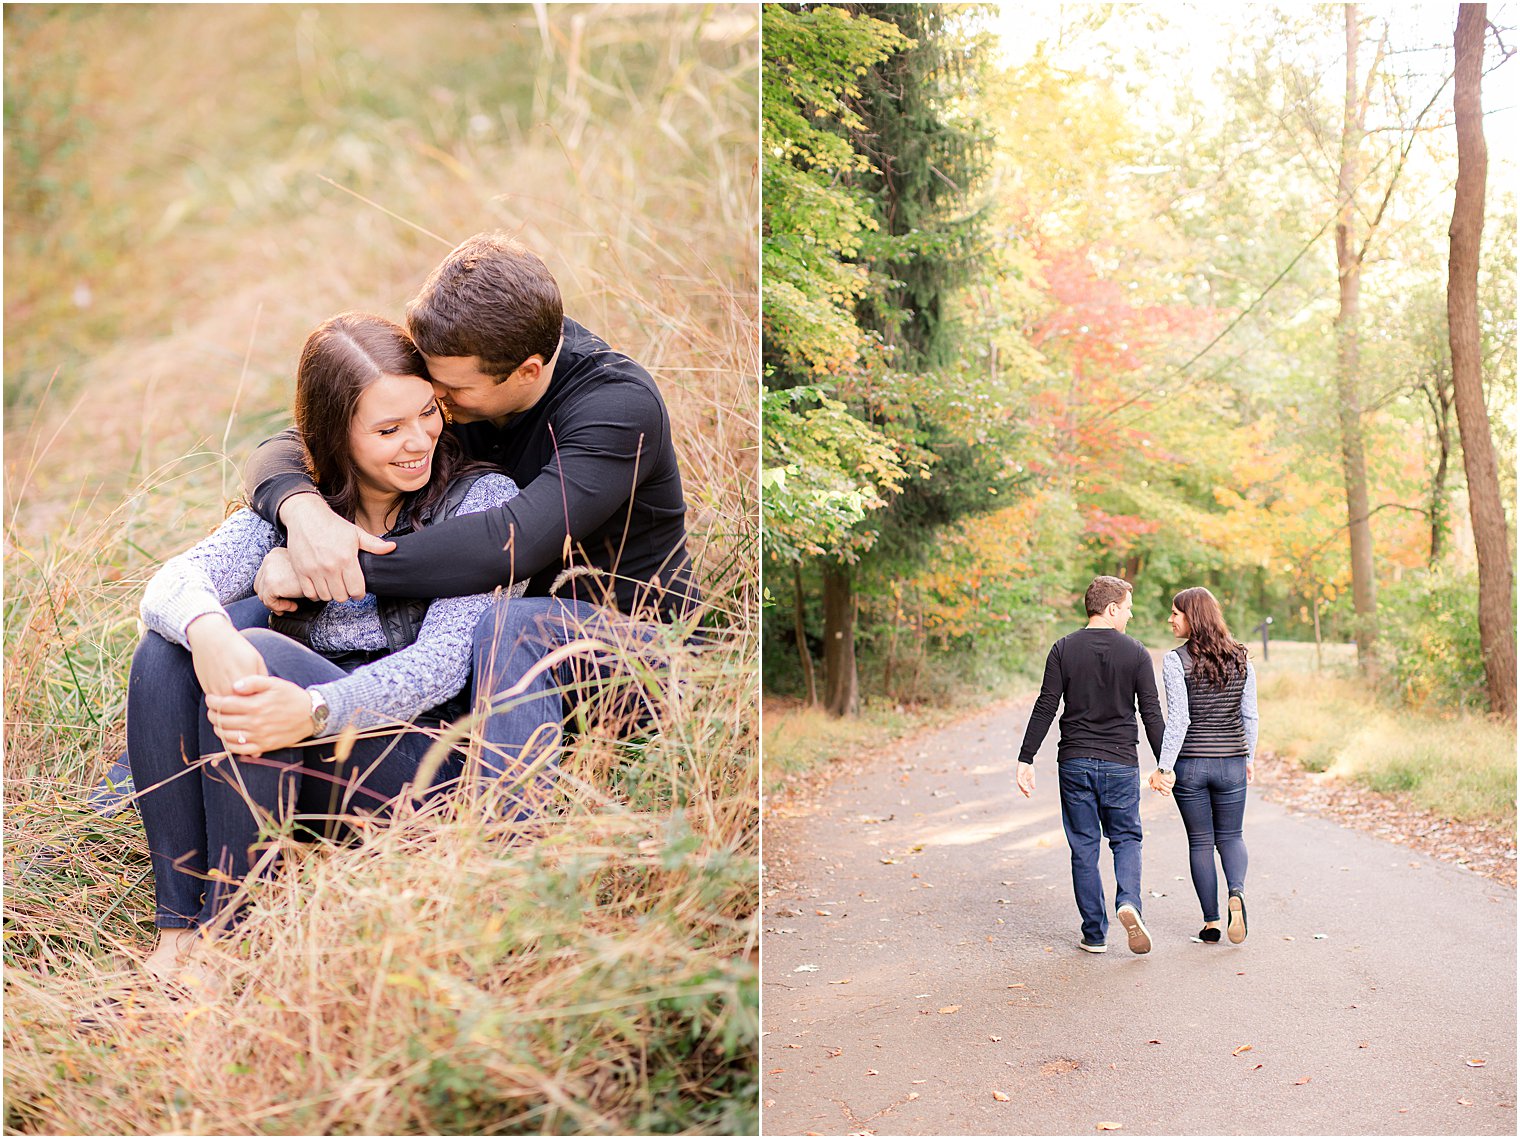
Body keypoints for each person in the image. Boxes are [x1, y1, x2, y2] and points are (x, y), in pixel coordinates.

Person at [127, 313, 525, 987]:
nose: (418, 440)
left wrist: (314, 707)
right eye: (388, 428)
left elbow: (441, 665)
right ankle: (176, 930)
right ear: (335, 431)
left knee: (262, 653)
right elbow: (170, 583)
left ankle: (230, 936)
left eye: (428, 413)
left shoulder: (480, 499)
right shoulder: (301, 506)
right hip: (296, 751)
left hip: (412, 763)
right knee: (168, 649)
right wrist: (209, 632)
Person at [244, 233, 698, 783]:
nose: (436, 401)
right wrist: (302, 513)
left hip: (633, 658)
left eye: (451, 392)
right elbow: (302, 442)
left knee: (515, 627)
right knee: (240, 616)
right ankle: (141, 782)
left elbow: (510, 543)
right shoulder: (461, 359)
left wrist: (330, 567)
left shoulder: (616, 407)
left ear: (527, 372)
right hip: (487, 662)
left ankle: (508, 835)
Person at [1016, 576, 1167, 955]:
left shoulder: (1063, 648)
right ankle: (1128, 901)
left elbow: (1046, 705)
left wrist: (1026, 757)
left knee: (1083, 846)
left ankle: (1095, 934)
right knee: (1126, 838)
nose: (1130, 615)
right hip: (1120, 762)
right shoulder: (1135, 653)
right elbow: (1151, 714)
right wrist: (1166, 765)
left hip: (1075, 761)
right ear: (1111, 608)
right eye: (1128, 608)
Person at [1147, 587, 1258, 945]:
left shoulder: (1175, 660)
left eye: (1176, 613)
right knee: (1232, 836)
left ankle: (1211, 922)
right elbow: (1249, 715)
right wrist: (1249, 757)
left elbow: (1179, 720)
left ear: (1193, 617)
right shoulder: (1242, 657)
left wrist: (1165, 767)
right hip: (1231, 762)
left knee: (1200, 841)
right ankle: (1236, 893)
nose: (1171, 619)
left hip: (1192, 765)